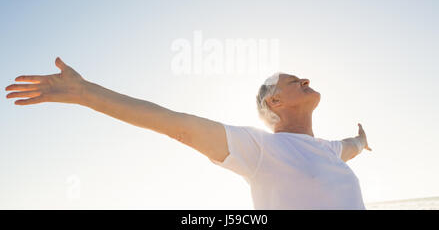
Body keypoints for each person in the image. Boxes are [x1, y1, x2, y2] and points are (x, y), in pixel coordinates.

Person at [5, 57, 371, 209]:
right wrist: (86, 93)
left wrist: (361, 140)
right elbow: (177, 125)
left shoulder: (327, 149)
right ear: (274, 102)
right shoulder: (260, 149)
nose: (306, 81)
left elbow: (352, 147)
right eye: (296, 81)